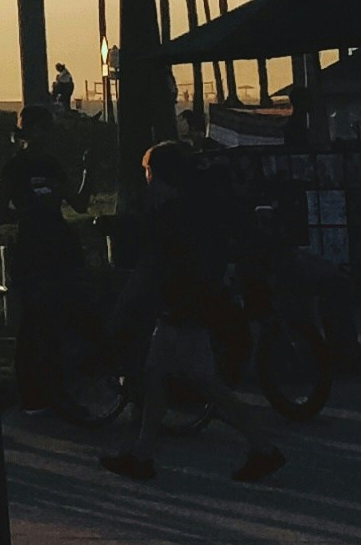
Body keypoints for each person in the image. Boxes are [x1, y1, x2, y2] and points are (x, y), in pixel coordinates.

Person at [100, 141, 286, 486]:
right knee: (156, 375)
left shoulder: (169, 217)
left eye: (148, 173)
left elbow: (149, 269)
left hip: (183, 308)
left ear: (158, 175)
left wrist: (121, 310)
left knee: (206, 383)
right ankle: (142, 454)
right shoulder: (199, 208)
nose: (146, 181)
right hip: (193, 304)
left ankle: (263, 447)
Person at [0, 101, 80, 409]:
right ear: (29, 131)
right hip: (31, 250)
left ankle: (57, 388)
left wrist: (87, 172)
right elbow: (0, 211)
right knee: (31, 324)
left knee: (56, 321)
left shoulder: (52, 165)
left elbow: (79, 202)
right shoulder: (14, 167)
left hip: (58, 248)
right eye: (43, 128)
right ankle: (31, 392)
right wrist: (30, 215)